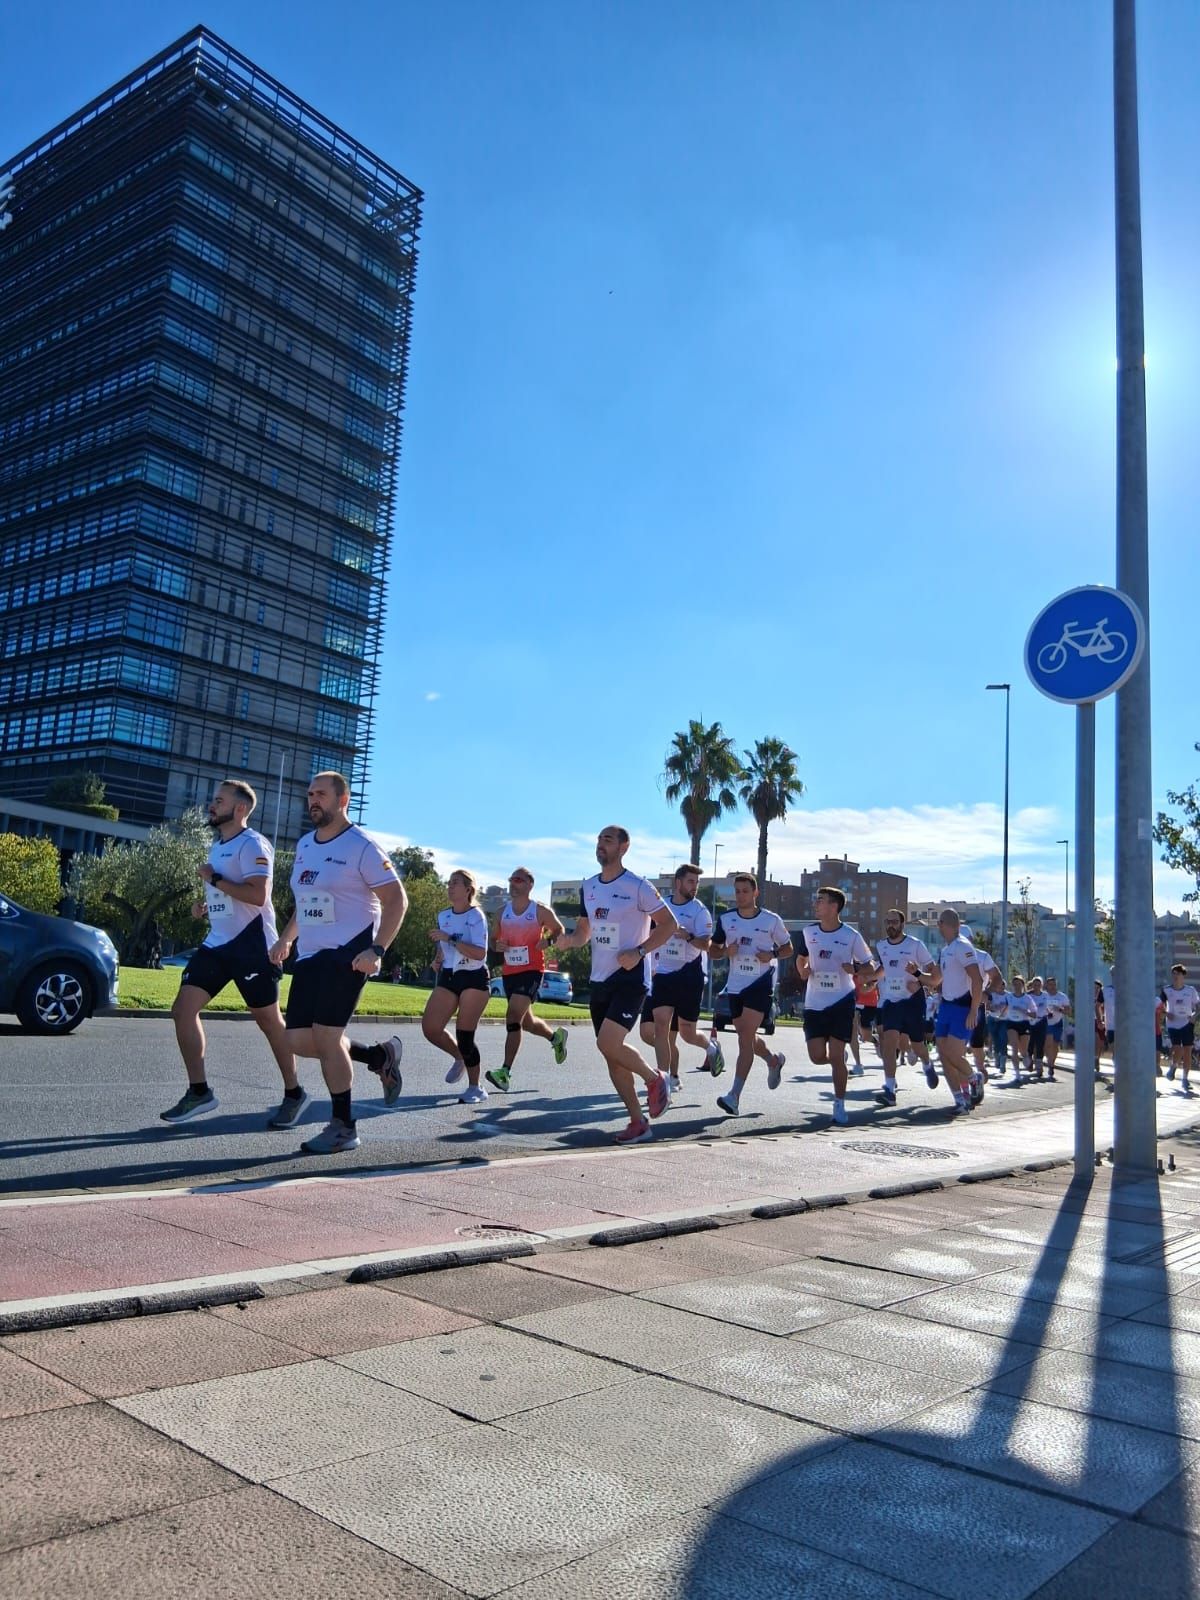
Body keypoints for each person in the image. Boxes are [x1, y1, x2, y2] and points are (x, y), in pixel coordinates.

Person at [269, 771, 408, 1154]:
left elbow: (397, 900)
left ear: (342, 800)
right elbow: (306, 903)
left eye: (321, 794)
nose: (313, 800)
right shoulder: (305, 845)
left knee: (327, 1038)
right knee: (297, 1040)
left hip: (349, 953)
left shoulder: (362, 846)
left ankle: (344, 1127)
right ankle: (378, 1056)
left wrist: (377, 949)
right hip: (310, 954)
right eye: (310, 794)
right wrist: (286, 938)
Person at [163, 779, 308, 1126]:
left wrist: (214, 880)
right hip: (217, 943)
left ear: (240, 808)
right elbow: (228, 895)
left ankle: (294, 1093)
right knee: (182, 1009)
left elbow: (258, 896)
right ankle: (199, 1091)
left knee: (269, 1023)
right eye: (214, 800)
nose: (212, 805)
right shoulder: (218, 847)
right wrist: (206, 906)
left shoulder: (253, 844)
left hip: (252, 946)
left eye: (219, 800)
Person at [555, 825, 675, 1143]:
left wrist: (640, 952)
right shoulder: (589, 886)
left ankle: (655, 1078)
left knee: (608, 1043)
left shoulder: (638, 886)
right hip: (600, 978)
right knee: (613, 1056)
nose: (600, 844)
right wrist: (569, 941)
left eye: (607, 840)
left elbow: (669, 925)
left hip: (630, 977)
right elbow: (584, 932)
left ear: (624, 847)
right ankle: (638, 1122)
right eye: (598, 839)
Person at [710, 873, 790, 1117]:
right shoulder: (726, 919)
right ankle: (773, 1060)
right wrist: (725, 951)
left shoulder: (771, 920)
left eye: (745, 891)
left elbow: (788, 948)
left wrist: (772, 954)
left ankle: (734, 1097)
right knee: (748, 1037)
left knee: (744, 1038)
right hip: (735, 986)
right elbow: (713, 950)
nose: (740, 895)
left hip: (760, 984)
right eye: (737, 891)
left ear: (755, 893)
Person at [638, 864, 721, 1093]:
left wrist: (688, 936)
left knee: (687, 1033)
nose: (695, 887)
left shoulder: (699, 911)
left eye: (697, 883)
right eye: (691, 881)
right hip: (663, 975)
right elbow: (648, 933)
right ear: (678, 882)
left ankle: (711, 1047)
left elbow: (706, 944)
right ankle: (664, 1083)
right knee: (661, 1028)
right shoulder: (661, 906)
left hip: (689, 976)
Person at [485, 868, 568, 1092]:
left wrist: (548, 942)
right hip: (510, 972)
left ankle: (505, 1072)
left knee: (513, 1017)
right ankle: (556, 1038)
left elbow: (559, 930)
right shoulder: (501, 913)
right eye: (511, 880)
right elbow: (492, 940)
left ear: (530, 884)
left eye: (519, 880)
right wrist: (497, 945)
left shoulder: (539, 910)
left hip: (532, 971)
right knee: (527, 1023)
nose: (514, 884)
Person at [795, 886, 871, 1126]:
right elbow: (801, 957)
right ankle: (839, 1061)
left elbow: (869, 965)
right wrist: (803, 970)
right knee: (817, 1056)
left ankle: (839, 1105)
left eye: (821, 900)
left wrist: (855, 968)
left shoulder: (851, 936)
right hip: (814, 1003)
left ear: (834, 906)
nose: (816, 904)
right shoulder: (808, 932)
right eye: (816, 900)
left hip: (841, 1000)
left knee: (836, 1057)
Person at [423, 870, 492, 1104]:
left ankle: (476, 1087)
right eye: (449, 883)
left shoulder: (476, 916)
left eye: (455, 883)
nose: (450, 887)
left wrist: (450, 939)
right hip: (449, 975)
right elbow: (442, 945)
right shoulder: (443, 915)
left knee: (465, 1035)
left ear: (468, 889)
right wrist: (438, 958)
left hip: (474, 977)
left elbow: (480, 953)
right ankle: (459, 1058)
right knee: (430, 1028)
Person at [871, 909, 936, 1108]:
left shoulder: (915, 945)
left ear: (902, 924)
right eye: (887, 921)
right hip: (891, 1001)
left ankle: (927, 1064)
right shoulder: (881, 946)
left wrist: (920, 981)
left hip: (912, 1000)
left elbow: (933, 971)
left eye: (894, 922)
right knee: (889, 1042)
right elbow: (883, 969)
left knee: (917, 1045)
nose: (890, 925)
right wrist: (870, 978)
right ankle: (890, 1090)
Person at [930, 909, 983, 1114]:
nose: (939, 927)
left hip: (962, 1007)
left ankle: (974, 1078)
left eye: (940, 923)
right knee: (943, 1055)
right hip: (946, 1006)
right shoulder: (946, 950)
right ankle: (960, 1101)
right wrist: (915, 974)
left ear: (949, 924)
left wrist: (973, 1010)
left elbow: (977, 979)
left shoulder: (963, 946)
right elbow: (935, 980)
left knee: (953, 1054)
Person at [1164, 965, 1200, 1093]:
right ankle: (1173, 1066)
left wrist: (1194, 1015)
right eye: (1174, 973)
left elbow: (1198, 1005)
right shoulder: (1166, 990)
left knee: (1187, 1052)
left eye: (1178, 974)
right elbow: (1159, 1004)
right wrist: (1166, 1013)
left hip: (1187, 1024)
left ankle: (1185, 1079)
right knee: (1177, 1049)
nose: (1175, 976)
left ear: (1183, 976)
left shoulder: (1190, 990)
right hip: (1172, 1024)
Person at [1004, 974, 1037, 1081]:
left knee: (1023, 1051)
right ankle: (1017, 1074)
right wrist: (998, 1013)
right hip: (1011, 1023)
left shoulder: (1027, 998)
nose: (1017, 986)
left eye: (1019, 984)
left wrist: (1024, 1011)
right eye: (1015, 984)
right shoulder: (1008, 997)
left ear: (1023, 985)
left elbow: (1034, 1014)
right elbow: (1004, 1008)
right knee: (1014, 1048)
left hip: (1024, 1023)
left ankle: (1026, 1057)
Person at [850, 969, 880, 1075]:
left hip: (869, 1003)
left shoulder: (871, 966)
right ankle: (858, 1065)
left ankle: (875, 1041)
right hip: (854, 1002)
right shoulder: (849, 963)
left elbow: (871, 985)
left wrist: (869, 984)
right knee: (852, 1033)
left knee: (866, 1036)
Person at [1043, 975, 1070, 1082]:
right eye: (1050, 984)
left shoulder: (1062, 996)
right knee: (1048, 1044)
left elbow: (1068, 1011)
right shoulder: (1043, 996)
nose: (1052, 986)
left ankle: (1051, 1064)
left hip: (1057, 1023)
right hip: (1046, 1023)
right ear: (1046, 986)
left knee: (1055, 1045)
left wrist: (1059, 1009)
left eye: (1054, 984)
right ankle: (1050, 1064)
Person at [1027, 976, 1050, 1081]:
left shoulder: (1045, 995)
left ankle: (1039, 1066)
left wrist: (1049, 1012)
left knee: (1040, 1043)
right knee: (1031, 1043)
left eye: (1039, 985)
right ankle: (1029, 1061)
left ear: (1042, 985)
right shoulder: (1028, 995)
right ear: (1032, 985)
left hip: (1042, 1021)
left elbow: (1047, 1006)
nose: (1037, 986)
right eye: (1035, 985)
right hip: (1031, 1021)